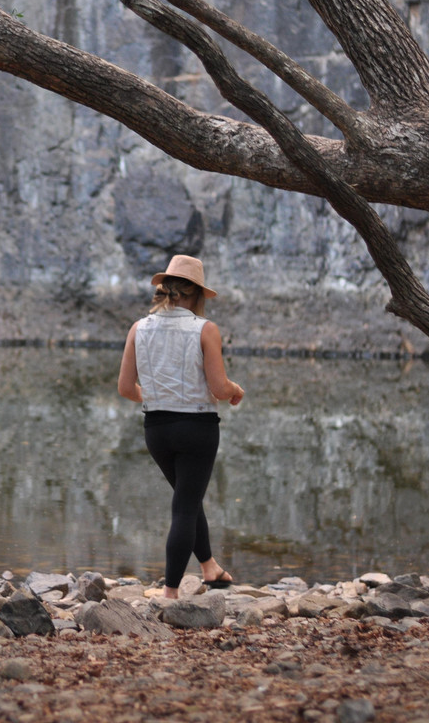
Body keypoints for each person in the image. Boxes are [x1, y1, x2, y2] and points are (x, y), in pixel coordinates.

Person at [117, 255, 245, 599]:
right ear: (197, 295)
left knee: (187, 498)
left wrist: (157, 398)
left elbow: (126, 389)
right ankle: (171, 594)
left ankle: (210, 568)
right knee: (186, 505)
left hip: (156, 429)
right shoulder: (205, 329)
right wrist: (235, 390)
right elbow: (219, 388)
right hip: (197, 428)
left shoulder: (138, 328)